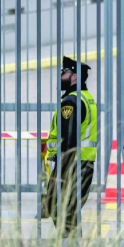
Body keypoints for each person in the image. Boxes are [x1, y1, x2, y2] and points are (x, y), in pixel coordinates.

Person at [44, 56, 97, 237]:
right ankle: (73, 245)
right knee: (70, 209)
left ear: (74, 76)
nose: (61, 76)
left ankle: (70, 244)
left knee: (56, 204)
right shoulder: (86, 97)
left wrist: (62, 166)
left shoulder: (71, 102)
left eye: (64, 73)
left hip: (72, 162)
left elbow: (68, 138)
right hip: (84, 161)